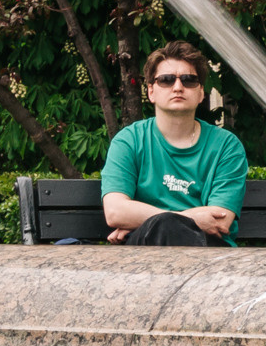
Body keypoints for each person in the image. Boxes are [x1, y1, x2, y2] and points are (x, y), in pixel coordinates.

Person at [100, 41, 250, 246]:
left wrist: (140, 219)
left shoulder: (227, 146)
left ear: (200, 93)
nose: (178, 87)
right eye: (166, 80)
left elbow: (220, 222)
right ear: (151, 91)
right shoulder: (129, 140)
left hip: (208, 254)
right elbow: (115, 211)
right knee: (163, 226)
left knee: (165, 226)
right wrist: (191, 218)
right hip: (144, 253)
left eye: (188, 80)